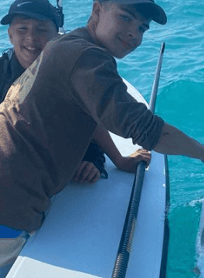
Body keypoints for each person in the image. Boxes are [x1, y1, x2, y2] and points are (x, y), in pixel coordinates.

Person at [0, 0, 204, 266]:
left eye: (142, 28)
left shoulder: (67, 45)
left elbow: (87, 112)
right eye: (125, 18)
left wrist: (118, 158)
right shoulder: (87, 57)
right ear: (97, 10)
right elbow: (146, 129)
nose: (134, 33)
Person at [0, 0, 151, 186]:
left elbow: (90, 117)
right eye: (22, 29)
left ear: (56, 35)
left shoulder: (74, 68)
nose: (31, 38)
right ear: (10, 35)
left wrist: (100, 160)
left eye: (41, 30)